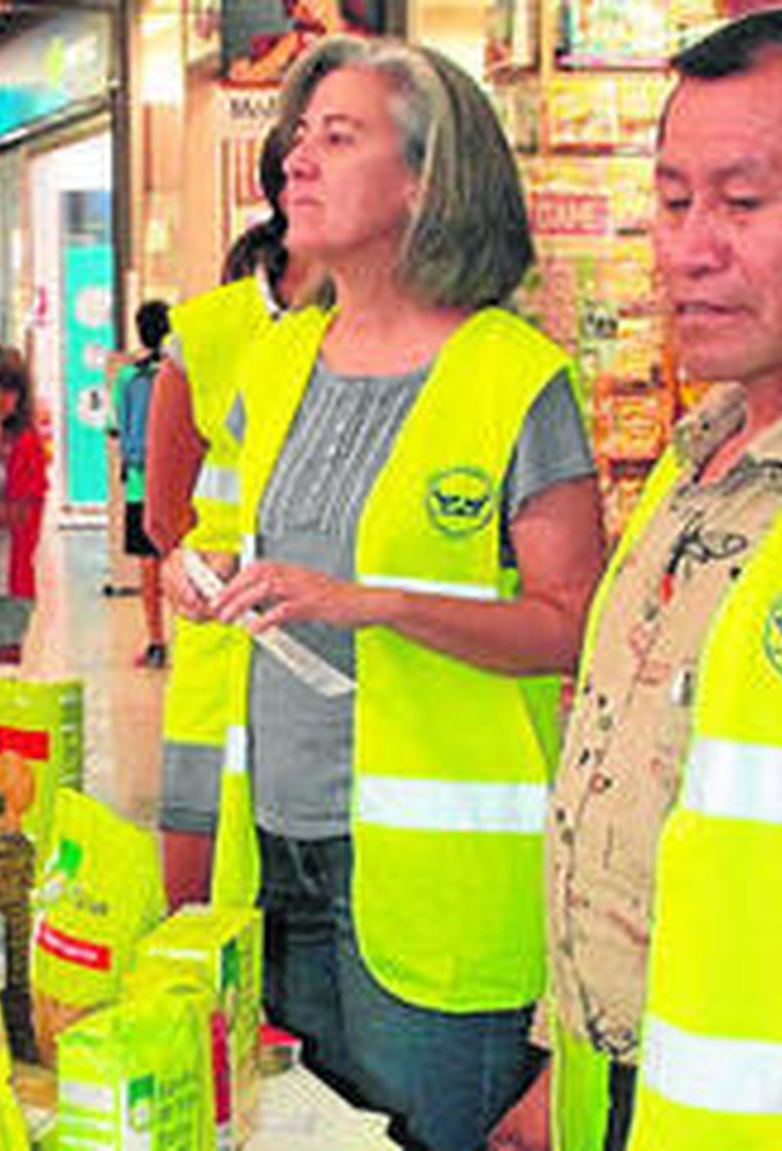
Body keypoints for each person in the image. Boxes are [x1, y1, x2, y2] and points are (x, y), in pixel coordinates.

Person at [488, 11, 782, 1151]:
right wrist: (565, 1083)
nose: (686, 248)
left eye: (741, 203)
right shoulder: (702, 453)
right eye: (671, 200)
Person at [168, 36, 605, 1150]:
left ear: (426, 178)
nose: (293, 163)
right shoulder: (278, 360)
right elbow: (222, 530)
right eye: (297, 138)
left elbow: (572, 628)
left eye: (337, 136)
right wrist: (193, 568)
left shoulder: (514, 377)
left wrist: (378, 601)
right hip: (269, 854)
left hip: (436, 885)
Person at [147, 125, 311, 907]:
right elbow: (166, 515)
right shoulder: (208, 332)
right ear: (288, 188)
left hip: (349, 659)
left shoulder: (409, 332)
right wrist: (188, 567)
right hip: (226, 652)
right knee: (200, 905)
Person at [113, 301, 171, 669]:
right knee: (181, 560)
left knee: (149, 566)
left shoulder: (127, 377)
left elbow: (117, 424)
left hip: (139, 483)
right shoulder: (179, 371)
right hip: (177, 482)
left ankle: (156, 640)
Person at [0, 347, 49, 663]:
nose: (3, 399)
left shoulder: (25, 444)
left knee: (1, 665)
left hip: (8, 578)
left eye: (11, 390)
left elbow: (22, 513)